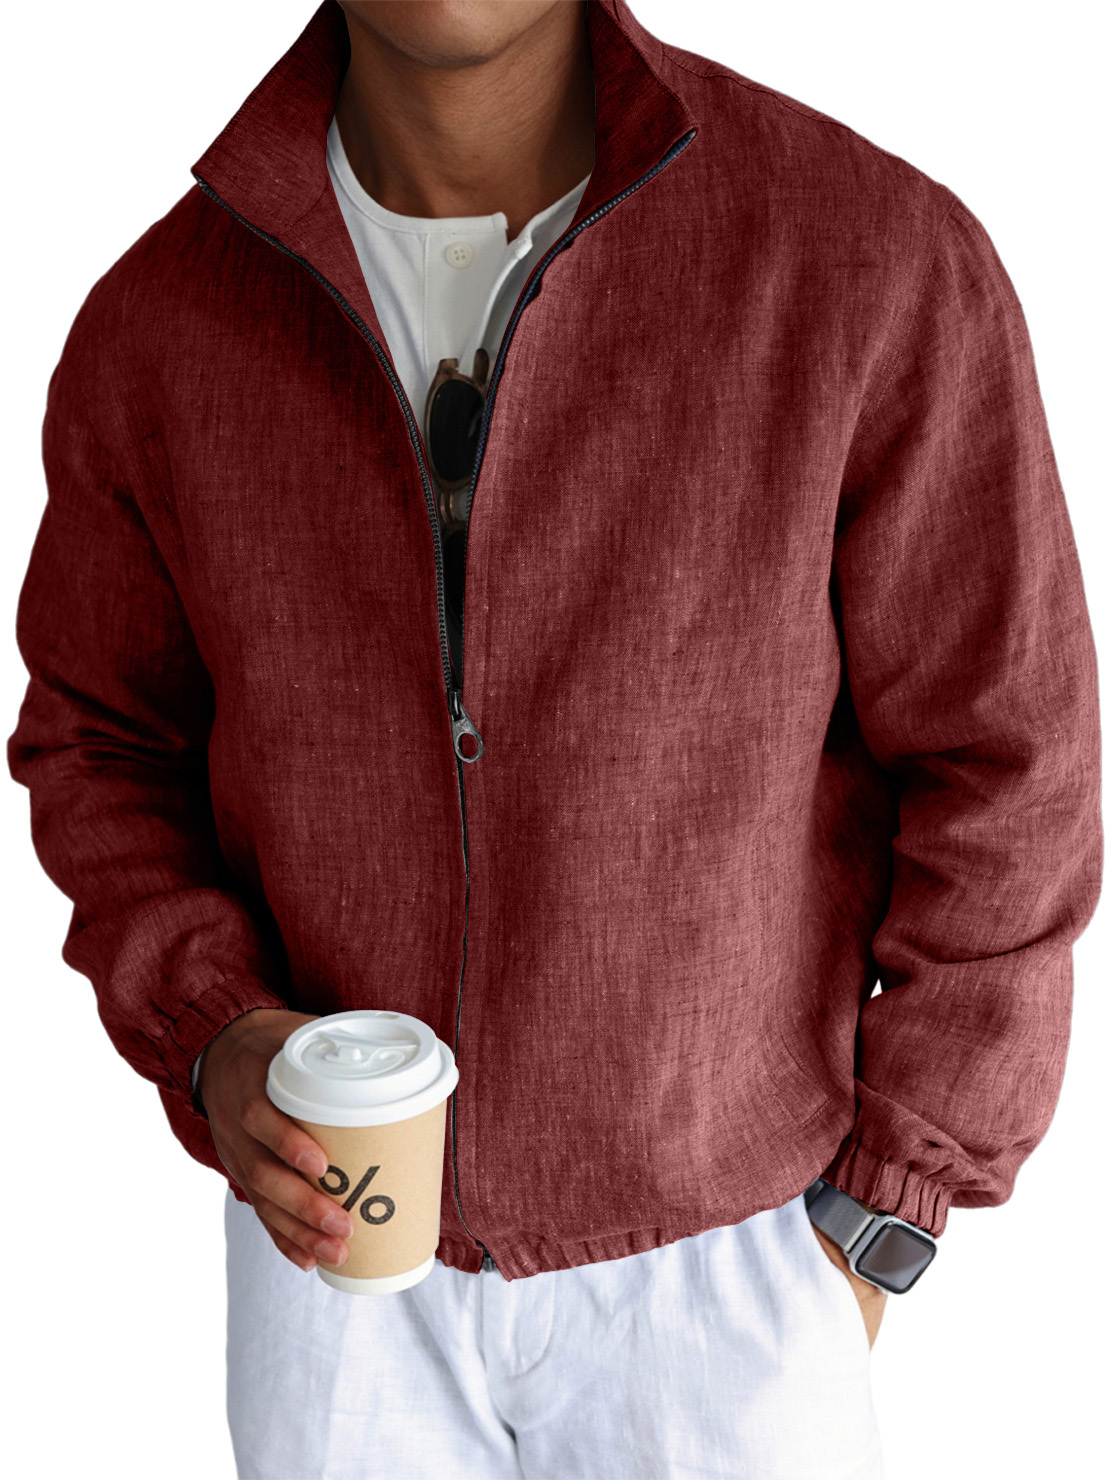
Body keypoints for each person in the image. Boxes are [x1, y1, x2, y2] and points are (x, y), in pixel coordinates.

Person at [7, 1, 1102, 1476]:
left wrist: (882, 1216)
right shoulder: (159, 324)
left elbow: (1007, 755)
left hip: (737, 1264)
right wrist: (214, 1033)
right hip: (331, 1258)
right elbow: (99, 742)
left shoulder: (866, 260)